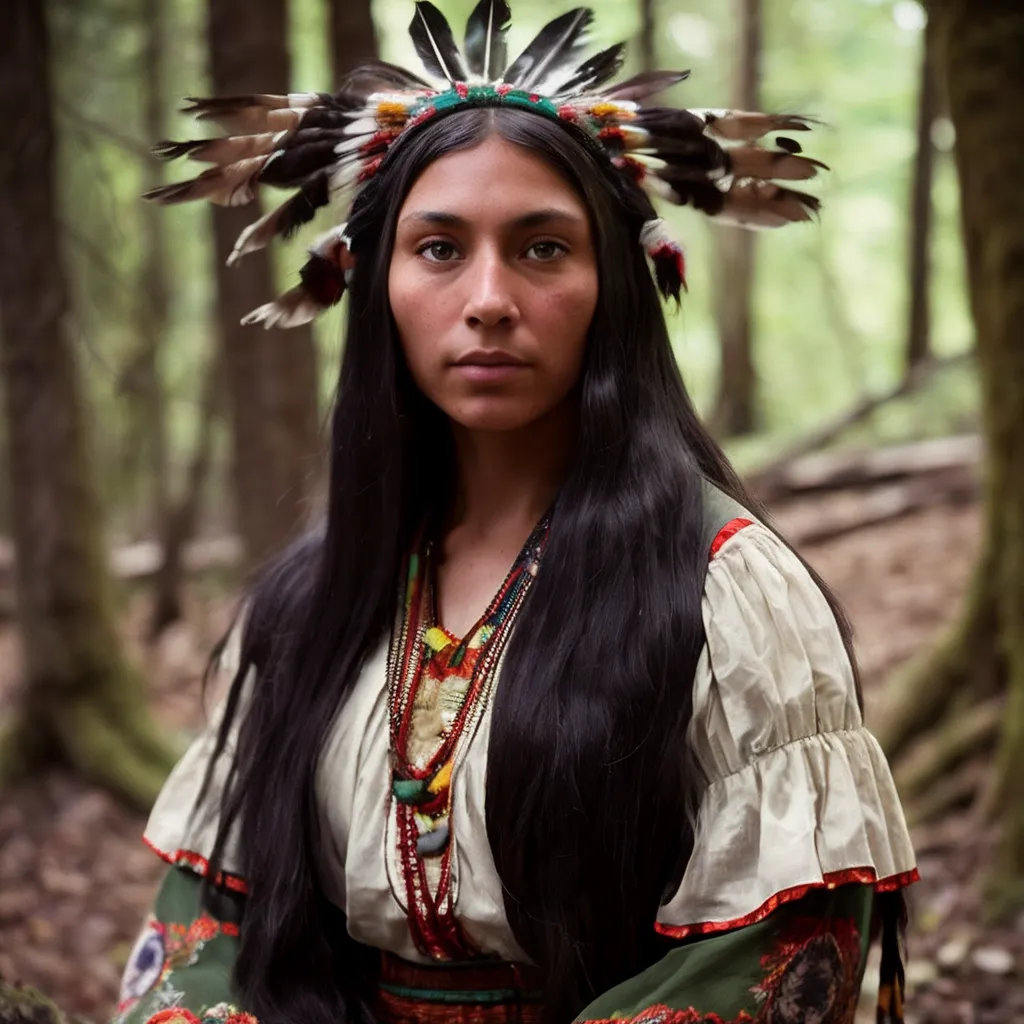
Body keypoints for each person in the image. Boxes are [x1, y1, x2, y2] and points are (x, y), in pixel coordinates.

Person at [115, 3, 918, 1023]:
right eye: (440, 249)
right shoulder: (306, 605)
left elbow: (787, 950)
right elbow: (201, 934)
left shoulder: (724, 588)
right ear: (378, 287)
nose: (488, 296)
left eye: (541, 249)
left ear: (614, 283)